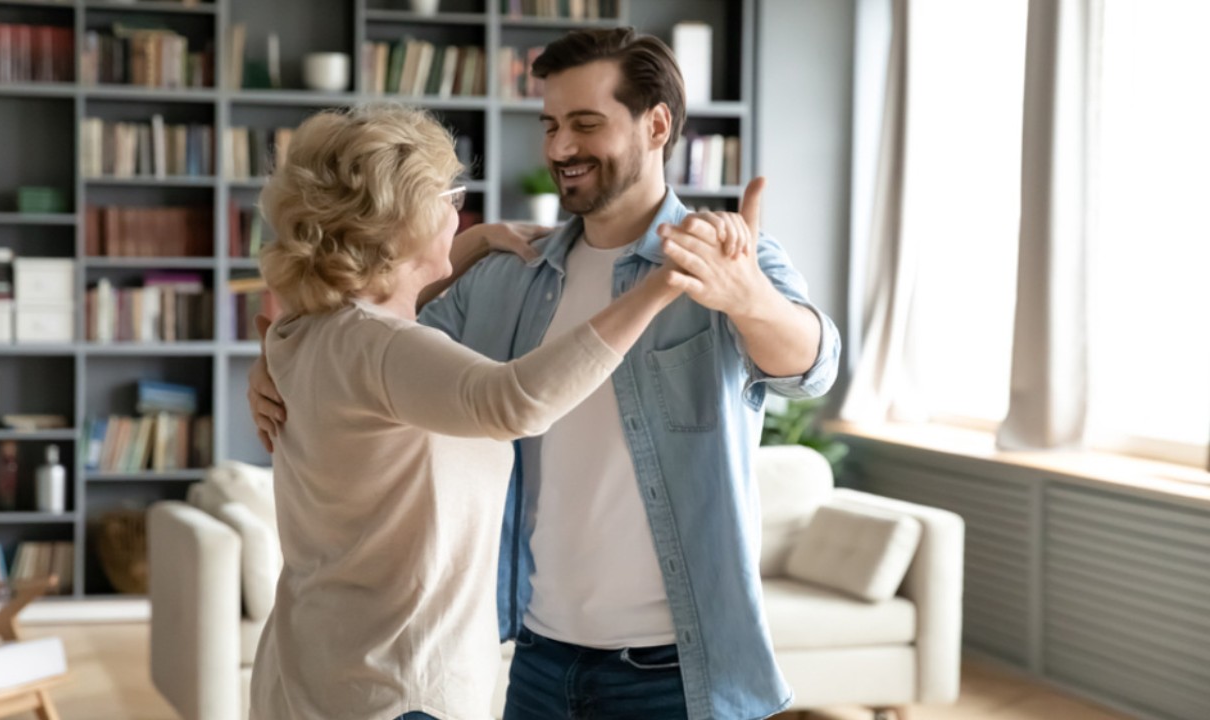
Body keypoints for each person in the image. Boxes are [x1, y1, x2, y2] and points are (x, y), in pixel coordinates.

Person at [250, 28, 841, 720]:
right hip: (537, 660)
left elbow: (814, 366)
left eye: (585, 124)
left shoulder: (727, 260)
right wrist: (274, 362)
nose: (560, 148)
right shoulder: (508, 273)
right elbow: (370, 333)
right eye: (551, 125)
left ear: (656, 125)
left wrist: (749, 298)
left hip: (673, 671)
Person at [246, 104, 703, 720]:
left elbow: (383, 297)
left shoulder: (300, 330)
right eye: (449, 196)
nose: (459, 210)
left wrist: (479, 241)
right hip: (397, 687)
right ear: (403, 221)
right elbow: (517, 401)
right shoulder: (384, 348)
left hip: (309, 670)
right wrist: (660, 286)